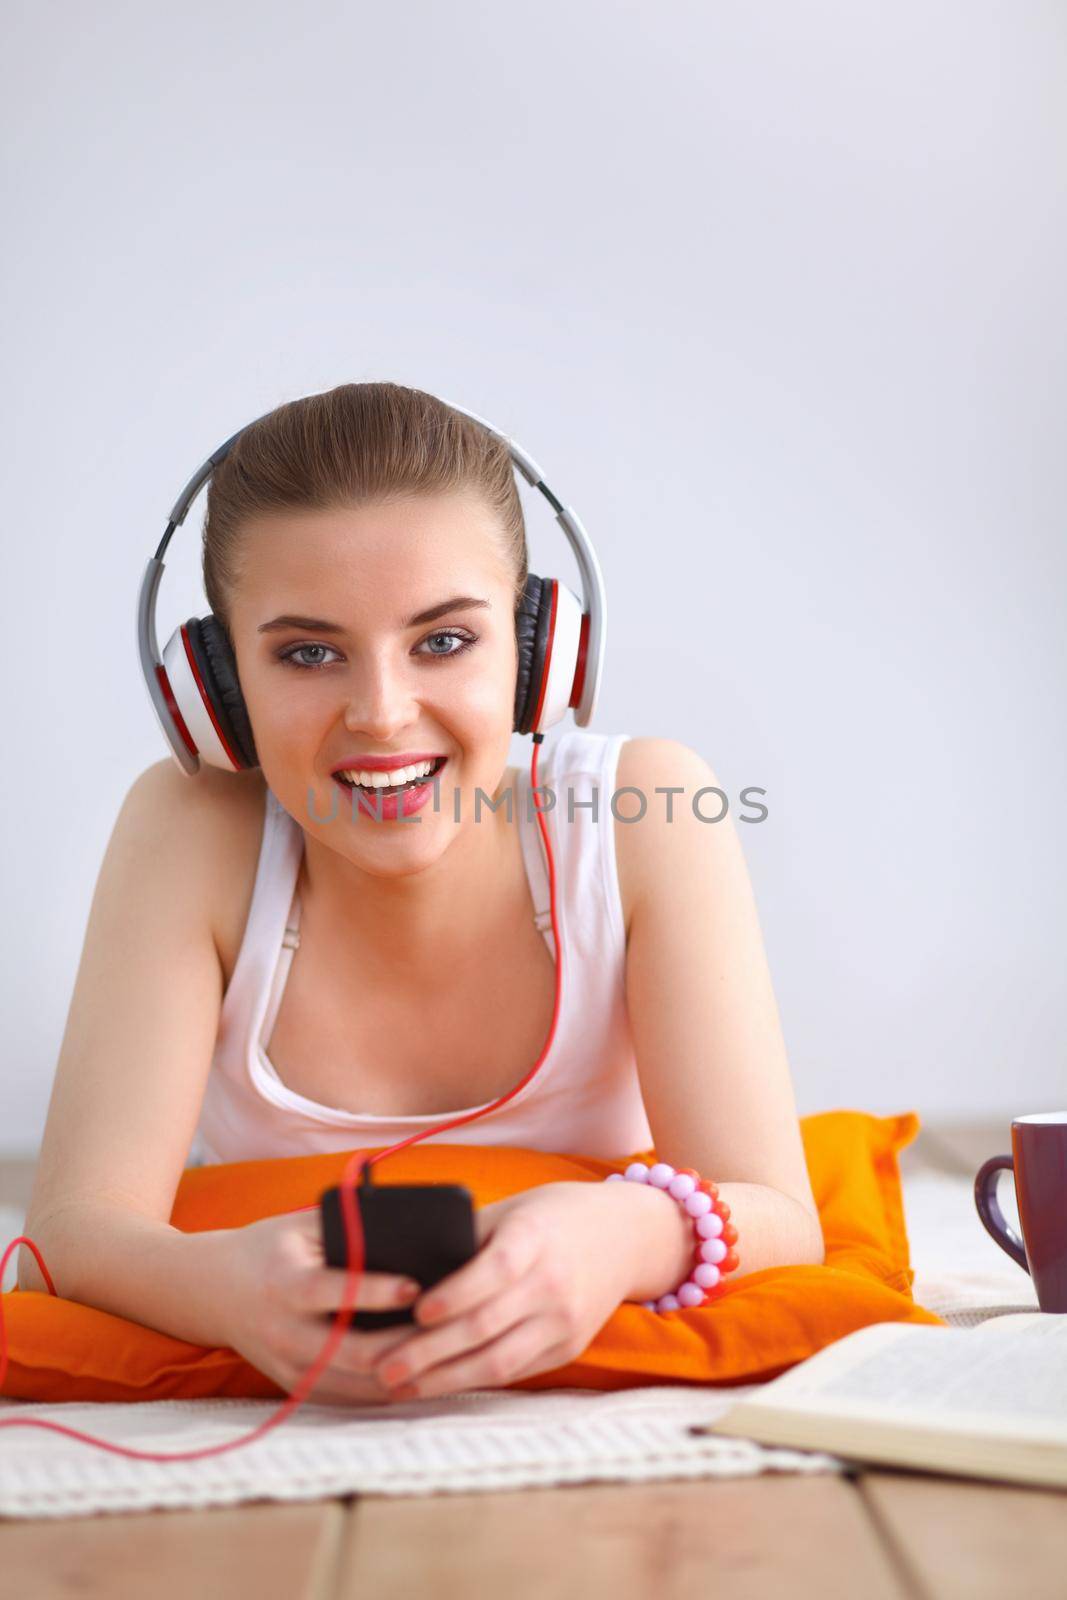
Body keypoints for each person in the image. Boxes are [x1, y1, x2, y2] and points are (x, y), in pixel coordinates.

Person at [18, 382, 823, 1404]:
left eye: (443, 640)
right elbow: (79, 1224)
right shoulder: (190, 826)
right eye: (307, 652)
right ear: (216, 688)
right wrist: (223, 1290)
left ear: (539, 653)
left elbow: (782, 1214)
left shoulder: (645, 804)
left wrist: (621, 1234)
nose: (382, 713)